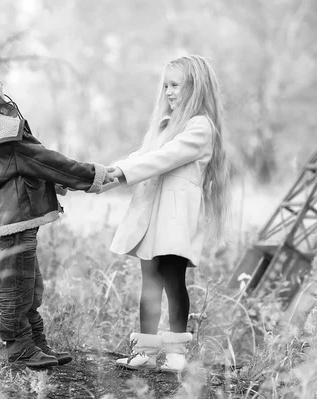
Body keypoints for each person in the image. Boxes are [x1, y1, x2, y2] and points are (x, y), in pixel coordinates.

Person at [0, 51, 112, 368]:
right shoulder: (0, 130)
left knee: (30, 286)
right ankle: (19, 347)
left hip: (17, 215)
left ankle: (36, 343)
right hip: (12, 217)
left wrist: (51, 182)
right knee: (17, 284)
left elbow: (27, 164)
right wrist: (92, 175)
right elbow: (42, 159)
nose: (1, 81)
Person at [104, 55, 230, 372]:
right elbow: (144, 156)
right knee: (149, 282)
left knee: (174, 281)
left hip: (175, 218)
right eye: (166, 86)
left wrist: (121, 170)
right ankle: (144, 350)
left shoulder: (201, 128)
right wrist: (103, 176)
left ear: (195, 88)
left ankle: (176, 353)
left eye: (175, 85)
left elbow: (163, 158)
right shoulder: (165, 124)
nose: (168, 92)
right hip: (152, 217)